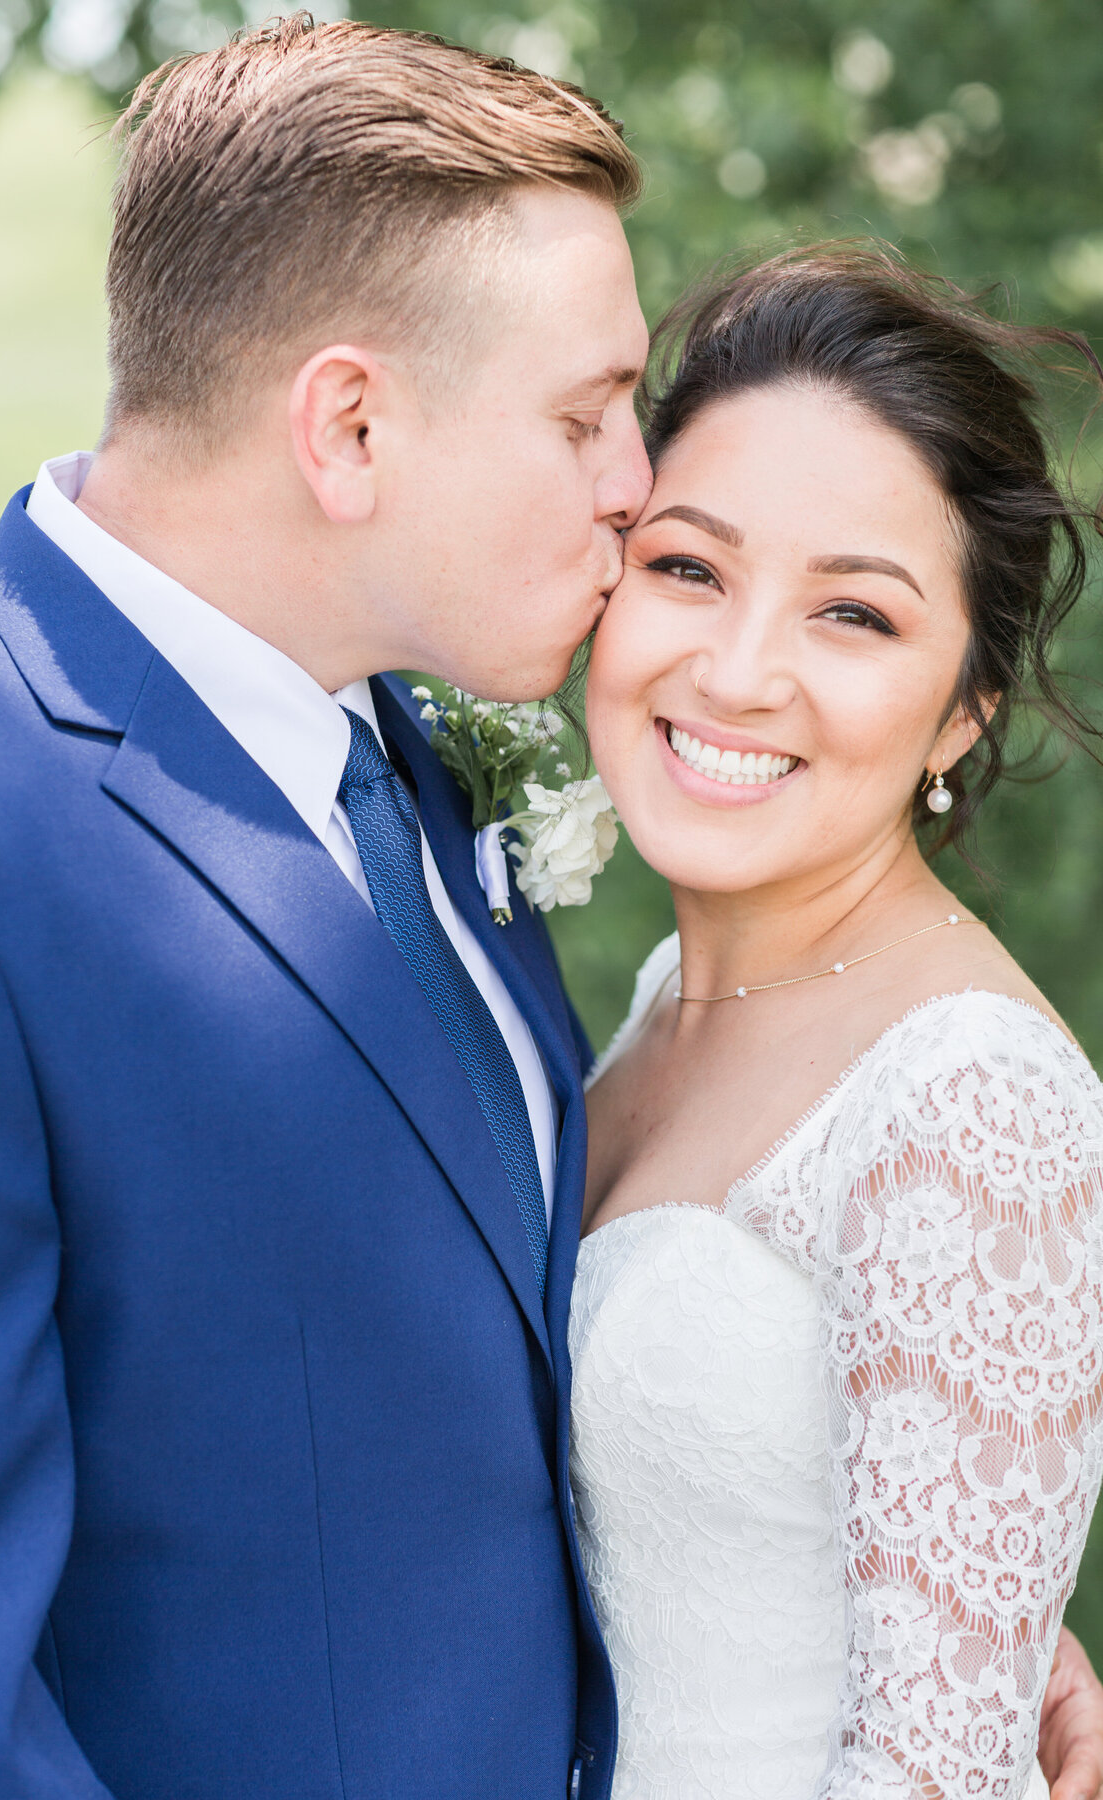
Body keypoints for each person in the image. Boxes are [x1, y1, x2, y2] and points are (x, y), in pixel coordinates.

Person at [0, 15, 1100, 1799]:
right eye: (587, 414)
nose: (636, 489)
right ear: (352, 423)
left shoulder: (405, 757)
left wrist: (931, 1591)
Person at [574, 245, 1103, 1800]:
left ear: (961, 711)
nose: (736, 672)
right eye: (688, 568)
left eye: (853, 616)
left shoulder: (972, 1102)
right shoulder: (669, 999)